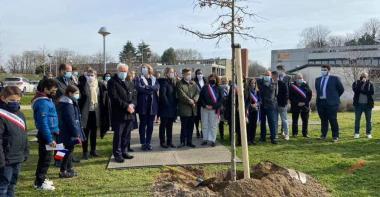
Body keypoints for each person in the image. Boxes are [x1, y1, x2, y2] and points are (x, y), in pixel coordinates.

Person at [0, 86, 29, 196]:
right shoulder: (1, 115)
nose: (15, 103)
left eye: (17, 100)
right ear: (3, 98)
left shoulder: (20, 114)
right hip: (6, 159)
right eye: (12, 100)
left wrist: (25, 151)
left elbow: (24, 135)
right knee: (3, 185)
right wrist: (1, 160)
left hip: (18, 157)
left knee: (12, 184)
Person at [32, 79, 59, 190]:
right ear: (45, 89)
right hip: (46, 135)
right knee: (45, 159)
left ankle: (40, 179)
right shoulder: (43, 103)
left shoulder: (47, 100)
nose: (55, 92)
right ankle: (39, 182)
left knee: (45, 158)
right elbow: (43, 123)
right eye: (53, 90)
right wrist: (49, 139)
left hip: (51, 133)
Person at [108, 63, 137, 163]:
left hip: (130, 113)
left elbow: (134, 96)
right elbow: (114, 97)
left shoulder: (130, 82)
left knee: (126, 134)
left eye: (125, 71)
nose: (123, 73)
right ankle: (117, 154)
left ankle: (124, 151)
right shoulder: (112, 82)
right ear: (117, 71)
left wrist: (132, 105)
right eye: (121, 71)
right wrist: (126, 106)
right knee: (118, 135)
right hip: (119, 113)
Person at [57, 85, 86, 178]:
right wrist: (76, 134)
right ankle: (63, 170)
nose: (77, 95)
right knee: (66, 150)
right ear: (70, 93)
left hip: (67, 131)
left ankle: (69, 168)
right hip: (67, 131)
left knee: (69, 149)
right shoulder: (67, 104)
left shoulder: (70, 102)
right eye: (76, 93)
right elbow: (71, 120)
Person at [315, 65, 344, 143]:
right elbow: (318, 91)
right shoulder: (317, 80)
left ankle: (335, 136)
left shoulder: (335, 79)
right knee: (323, 120)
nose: (323, 71)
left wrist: (334, 97)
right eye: (322, 70)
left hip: (332, 103)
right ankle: (323, 135)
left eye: (324, 70)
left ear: (328, 70)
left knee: (332, 119)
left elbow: (341, 89)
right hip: (321, 102)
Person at [78, 67, 101, 159]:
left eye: (92, 75)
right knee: (85, 133)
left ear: (95, 76)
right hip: (85, 112)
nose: (90, 77)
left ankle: (93, 150)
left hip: (95, 111)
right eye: (88, 75)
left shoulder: (99, 85)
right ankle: (85, 152)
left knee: (94, 133)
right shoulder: (82, 85)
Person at [136, 64, 159, 151]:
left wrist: (147, 87)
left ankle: (148, 142)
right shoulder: (139, 78)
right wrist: (150, 89)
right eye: (142, 68)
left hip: (152, 106)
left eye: (145, 68)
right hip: (143, 105)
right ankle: (143, 143)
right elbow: (140, 88)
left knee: (150, 125)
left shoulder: (154, 79)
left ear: (149, 69)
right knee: (143, 124)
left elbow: (157, 87)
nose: (143, 69)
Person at [177, 68, 199, 148]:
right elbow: (181, 94)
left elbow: (197, 92)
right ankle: (183, 141)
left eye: (189, 74)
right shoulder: (179, 83)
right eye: (187, 74)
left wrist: (194, 100)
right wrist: (189, 101)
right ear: (183, 75)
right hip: (184, 109)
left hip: (193, 109)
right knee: (184, 127)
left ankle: (189, 141)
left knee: (191, 127)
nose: (188, 76)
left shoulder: (193, 83)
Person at [199, 74, 223, 147]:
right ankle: (205, 139)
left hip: (214, 109)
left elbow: (221, 100)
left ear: (216, 79)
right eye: (211, 78)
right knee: (205, 124)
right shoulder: (205, 87)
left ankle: (213, 140)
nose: (212, 80)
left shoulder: (219, 88)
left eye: (214, 78)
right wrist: (205, 105)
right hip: (204, 109)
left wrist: (213, 107)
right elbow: (201, 98)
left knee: (213, 125)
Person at [158, 67, 177, 148]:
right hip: (165, 108)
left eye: (173, 72)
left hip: (172, 108)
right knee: (163, 125)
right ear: (166, 73)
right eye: (170, 72)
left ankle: (169, 141)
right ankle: (162, 142)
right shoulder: (163, 82)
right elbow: (163, 95)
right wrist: (168, 105)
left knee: (170, 126)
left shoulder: (172, 82)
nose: (172, 73)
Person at [289, 73, 312, 138]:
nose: (300, 79)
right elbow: (290, 96)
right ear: (295, 79)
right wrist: (297, 102)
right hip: (295, 105)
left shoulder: (306, 85)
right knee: (295, 120)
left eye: (301, 78)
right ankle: (295, 133)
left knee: (305, 120)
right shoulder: (292, 86)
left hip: (305, 106)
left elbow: (309, 95)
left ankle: (305, 133)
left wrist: (305, 102)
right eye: (298, 78)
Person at [257, 71, 277, 144]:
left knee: (272, 122)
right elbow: (257, 82)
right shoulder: (260, 82)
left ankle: (273, 138)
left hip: (270, 105)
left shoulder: (274, 83)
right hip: (262, 105)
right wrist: (261, 79)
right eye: (265, 75)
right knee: (262, 122)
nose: (267, 76)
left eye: (268, 75)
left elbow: (275, 93)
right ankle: (263, 137)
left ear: (270, 76)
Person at [352, 72, 374, 139]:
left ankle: (368, 133)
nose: (364, 77)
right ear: (360, 76)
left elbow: (371, 92)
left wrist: (363, 90)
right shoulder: (356, 83)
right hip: (358, 105)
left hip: (368, 105)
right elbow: (355, 90)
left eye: (365, 76)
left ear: (367, 77)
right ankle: (357, 133)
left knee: (369, 120)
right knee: (357, 119)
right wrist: (361, 84)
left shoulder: (370, 83)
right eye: (362, 76)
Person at [272, 71, 289, 140]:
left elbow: (286, 94)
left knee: (284, 120)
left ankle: (286, 134)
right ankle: (275, 134)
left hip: (282, 104)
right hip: (273, 104)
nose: (272, 77)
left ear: (276, 76)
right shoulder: (271, 83)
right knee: (275, 120)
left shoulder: (282, 83)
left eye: (273, 76)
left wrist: (284, 104)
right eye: (272, 76)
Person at [245, 78, 259, 145]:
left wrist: (257, 104)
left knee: (254, 125)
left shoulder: (257, 91)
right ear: (249, 83)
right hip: (249, 110)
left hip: (255, 110)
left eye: (254, 83)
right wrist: (251, 105)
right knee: (249, 125)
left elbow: (260, 100)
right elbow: (246, 102)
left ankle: (252, 139)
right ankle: (248, 140)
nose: (253, 84)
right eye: (252, 83)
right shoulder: (247, 91)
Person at [193, 69, 207, 138]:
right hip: (196, 102)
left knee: (203, 118)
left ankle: (202, 131)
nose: (200, 75)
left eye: (201, 73)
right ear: (196, 74)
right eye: (198, 73)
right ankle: (197, 130)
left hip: (204, 102)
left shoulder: (205, 81)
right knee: (197, 118)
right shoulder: (194, 81)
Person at [99, 72, 112, 139]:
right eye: (106, 76)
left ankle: (109, 127)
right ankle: (103, 131)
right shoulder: (101, 83)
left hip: (110, 102)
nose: (108, 77)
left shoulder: (112, 83)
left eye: (109, 76)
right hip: (103, 102)